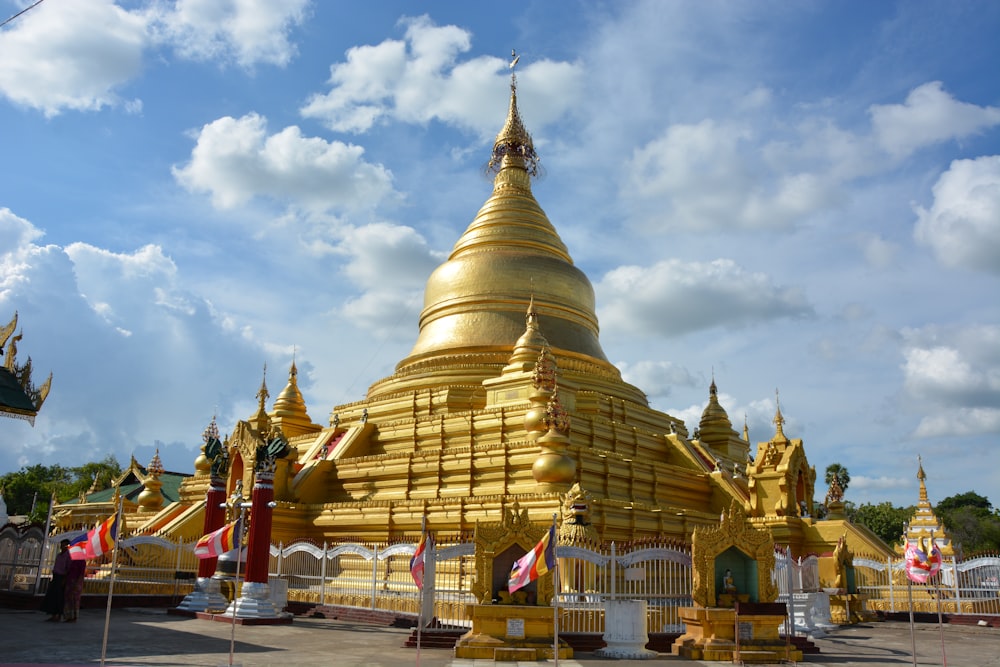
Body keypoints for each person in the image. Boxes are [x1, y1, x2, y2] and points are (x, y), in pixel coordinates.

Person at [41, 540, 70, 622]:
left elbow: (68, 568)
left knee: (59, 597)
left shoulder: (68, 556)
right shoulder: (59, 555)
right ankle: (53, 614)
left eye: (64, 545)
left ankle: (58, 615)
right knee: (53, 596)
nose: (62, 546)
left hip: (62, 577)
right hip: (56, 576)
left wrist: (64, 579)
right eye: (61, 545)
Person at [63, 553, 86, 622]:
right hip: (70, 580)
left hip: (76, 581)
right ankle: (68, 615)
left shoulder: (82, 561)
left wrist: (77, 583)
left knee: (75, 599)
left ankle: (74, 616)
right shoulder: (72, 560)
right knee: (68, 598)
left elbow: (81, 573)